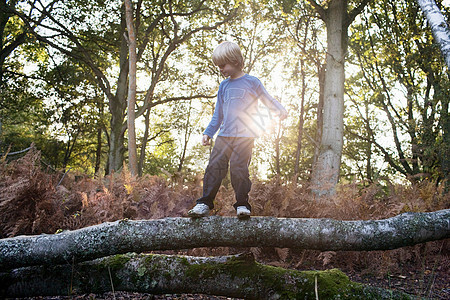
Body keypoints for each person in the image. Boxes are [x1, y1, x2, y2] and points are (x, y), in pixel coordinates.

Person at [188, 41, 288, 219]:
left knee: (238, 168)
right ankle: (204, 203)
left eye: (223, 65)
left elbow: (266, 98)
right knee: (214, 167)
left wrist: (279, 110)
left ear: (235, 61)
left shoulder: (252, 82)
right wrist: (208, 132)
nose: (220, 69)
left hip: (245, 136)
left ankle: (242, 205)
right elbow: (218, 114)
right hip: (224, 136)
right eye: (218, 66)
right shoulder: (223, 86)